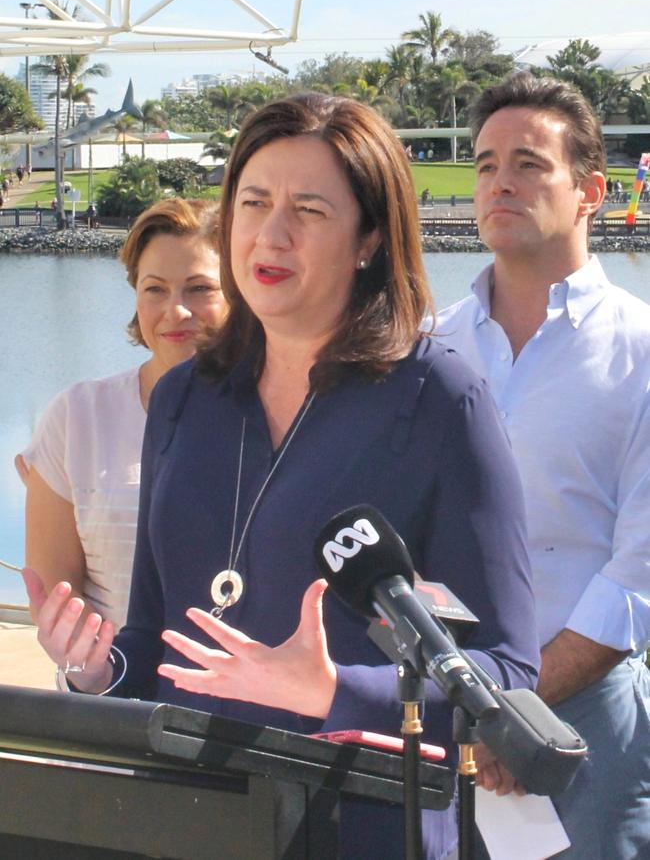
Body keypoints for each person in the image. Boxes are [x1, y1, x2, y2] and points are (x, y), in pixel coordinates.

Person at [24, 93, 540, 860]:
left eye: (309, 209)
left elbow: (503, 674)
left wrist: (335, 689)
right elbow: (151, 639)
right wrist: (97, 669)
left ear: (369, 238)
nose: (271, 233)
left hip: (363, 826)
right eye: (254, 202)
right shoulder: (182, 398)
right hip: (185, 817)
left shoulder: (438, 398)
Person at [436, 71, 650, 859]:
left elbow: (638, 577)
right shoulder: (429, 348)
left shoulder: (643, 351)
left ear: (592, 189)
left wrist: (515, 703)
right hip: (437, 723)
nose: (500, 182)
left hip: (585, 727)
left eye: (529, 162)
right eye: (487, 163)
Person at [18, 198, 222, 630]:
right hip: (115, 690)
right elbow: (58, 597)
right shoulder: (76, 419)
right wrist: (99, 674)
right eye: (155, 289)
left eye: (200, 288)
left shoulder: (286, 416)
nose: (176, 310)